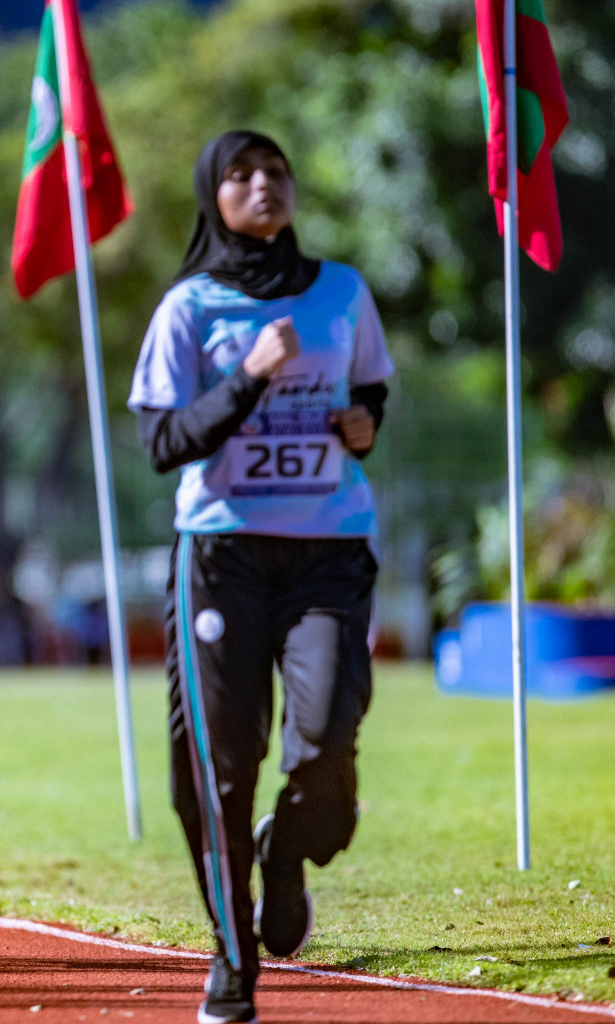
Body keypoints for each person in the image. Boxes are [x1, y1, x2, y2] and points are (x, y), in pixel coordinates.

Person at [127, 131, 394, 1024]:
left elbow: (371, 396)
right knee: (221, 767)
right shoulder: (190, 308)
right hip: (222, 558)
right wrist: (246, 376)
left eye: (275, 171)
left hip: (328, 553)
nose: (261, 186)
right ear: (214, 196)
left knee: (324, 744)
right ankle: (232, 964)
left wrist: (364, 423)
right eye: (240, 175)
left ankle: (285, 856)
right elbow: (165, 443)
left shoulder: (343, 291)